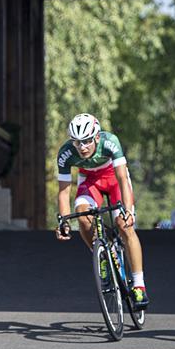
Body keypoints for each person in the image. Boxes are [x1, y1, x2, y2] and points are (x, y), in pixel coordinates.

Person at [55, 113, 148, 309]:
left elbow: (122, 179)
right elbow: (64, 192)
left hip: (114, 179)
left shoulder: (110, 142)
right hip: (90, 182)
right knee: (82, 216)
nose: (82, 147)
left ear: (97, 137)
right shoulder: (65, 153)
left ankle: (139, 285)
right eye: (77, 142)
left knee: (124, 225)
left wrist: (128, 211)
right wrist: (63, 221)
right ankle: (103, 254)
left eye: (87, 141)